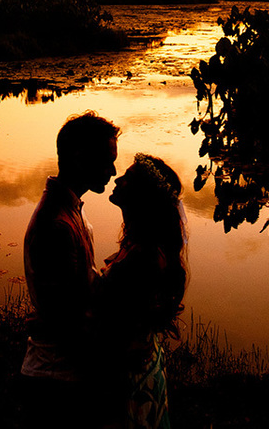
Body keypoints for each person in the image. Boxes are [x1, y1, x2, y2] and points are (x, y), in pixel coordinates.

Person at [20, 111, 120, 418]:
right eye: (107, 159)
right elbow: (66, 319)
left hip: (64, 373)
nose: (114, 170)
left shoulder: (70, 209)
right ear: (79, 158)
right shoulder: (57, 225)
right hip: (57, 379)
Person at [94, 154, 188, 429]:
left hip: (129, 382)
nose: (117, 179)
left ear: (141, 197)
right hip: (137, 369)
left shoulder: (143, 257)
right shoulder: (139, 244)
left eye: (128, 178)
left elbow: (115, 326)